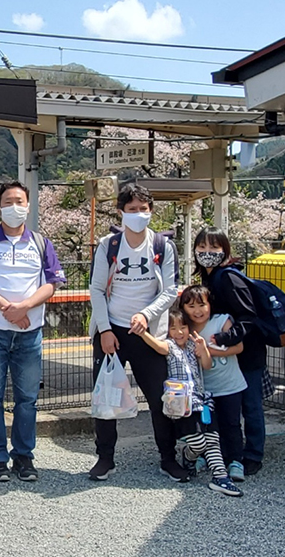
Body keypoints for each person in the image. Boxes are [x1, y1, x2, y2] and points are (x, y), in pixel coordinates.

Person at [0, 181, 66, 482]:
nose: (14, 207)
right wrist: (10, 309)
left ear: (28, 206)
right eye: (8, 202)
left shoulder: (41, 243)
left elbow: (51, 283)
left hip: (29, 333)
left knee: (27, 399)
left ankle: (24, 457)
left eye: (19, 201)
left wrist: (25, 307)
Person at [88, 183, 188, 482]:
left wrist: (147, 315)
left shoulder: (162, 246)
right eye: (132, 210)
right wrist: (104, 330)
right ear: (121, 213)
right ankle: (105, 458)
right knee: (106, 398)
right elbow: (96, 288)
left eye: (143, 209)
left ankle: (167, 458)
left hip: (149, 334)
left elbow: (171, 289)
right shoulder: (109, 245)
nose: (138, 215)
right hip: (112, 332)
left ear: (151, 211)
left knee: (160, 398)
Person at [140, 309, 243, 497]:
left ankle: (221, 478)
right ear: (168, 331)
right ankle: (188, 456)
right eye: (174, 328)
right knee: (197, 441)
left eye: (183, 327)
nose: (179, 332)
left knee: (212, 438)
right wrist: (142, 332)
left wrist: (203, 349)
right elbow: (157, 346)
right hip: (181, 404)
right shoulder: (169, 346)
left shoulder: (192, 345)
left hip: (202, 399)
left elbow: (207, 365)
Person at [193, 226, 267, 477]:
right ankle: (227, 451)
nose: (207, 252)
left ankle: (253, 454)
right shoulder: (210, 277)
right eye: (202, 247)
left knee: (250, 403)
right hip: (228, 354)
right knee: (227, 406)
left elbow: (248, 316)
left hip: (247, 353)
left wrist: (225, 337)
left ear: (224, 250)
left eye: (214, 248)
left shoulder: (228, 278)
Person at [179, 284, 247, 481]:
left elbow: (239, 347)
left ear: (210, 305)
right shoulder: (185, 328)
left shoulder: (222, 321)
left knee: (232, 424)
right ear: (183, 308)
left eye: (202, 305)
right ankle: (207, 458)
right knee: (208, 427)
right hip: (204, 390)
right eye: (191, 306)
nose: (197, 311)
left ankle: (235, 460)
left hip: (230, 385)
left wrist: (208, 352)